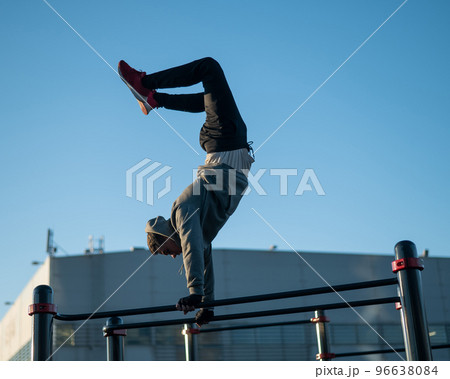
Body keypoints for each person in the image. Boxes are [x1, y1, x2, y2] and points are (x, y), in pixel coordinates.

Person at [118, 57, 254, 326]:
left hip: (224, 144)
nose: (172, 256)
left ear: (165, 235)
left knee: (209, 68)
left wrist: (194, 292)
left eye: (165, 250)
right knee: (209, 97)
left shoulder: (182, 212)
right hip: (227, 145)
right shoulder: (198, 231)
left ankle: (144, 86)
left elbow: (191, 247)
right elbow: (203, 255)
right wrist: (206, 304)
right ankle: (153, 99)